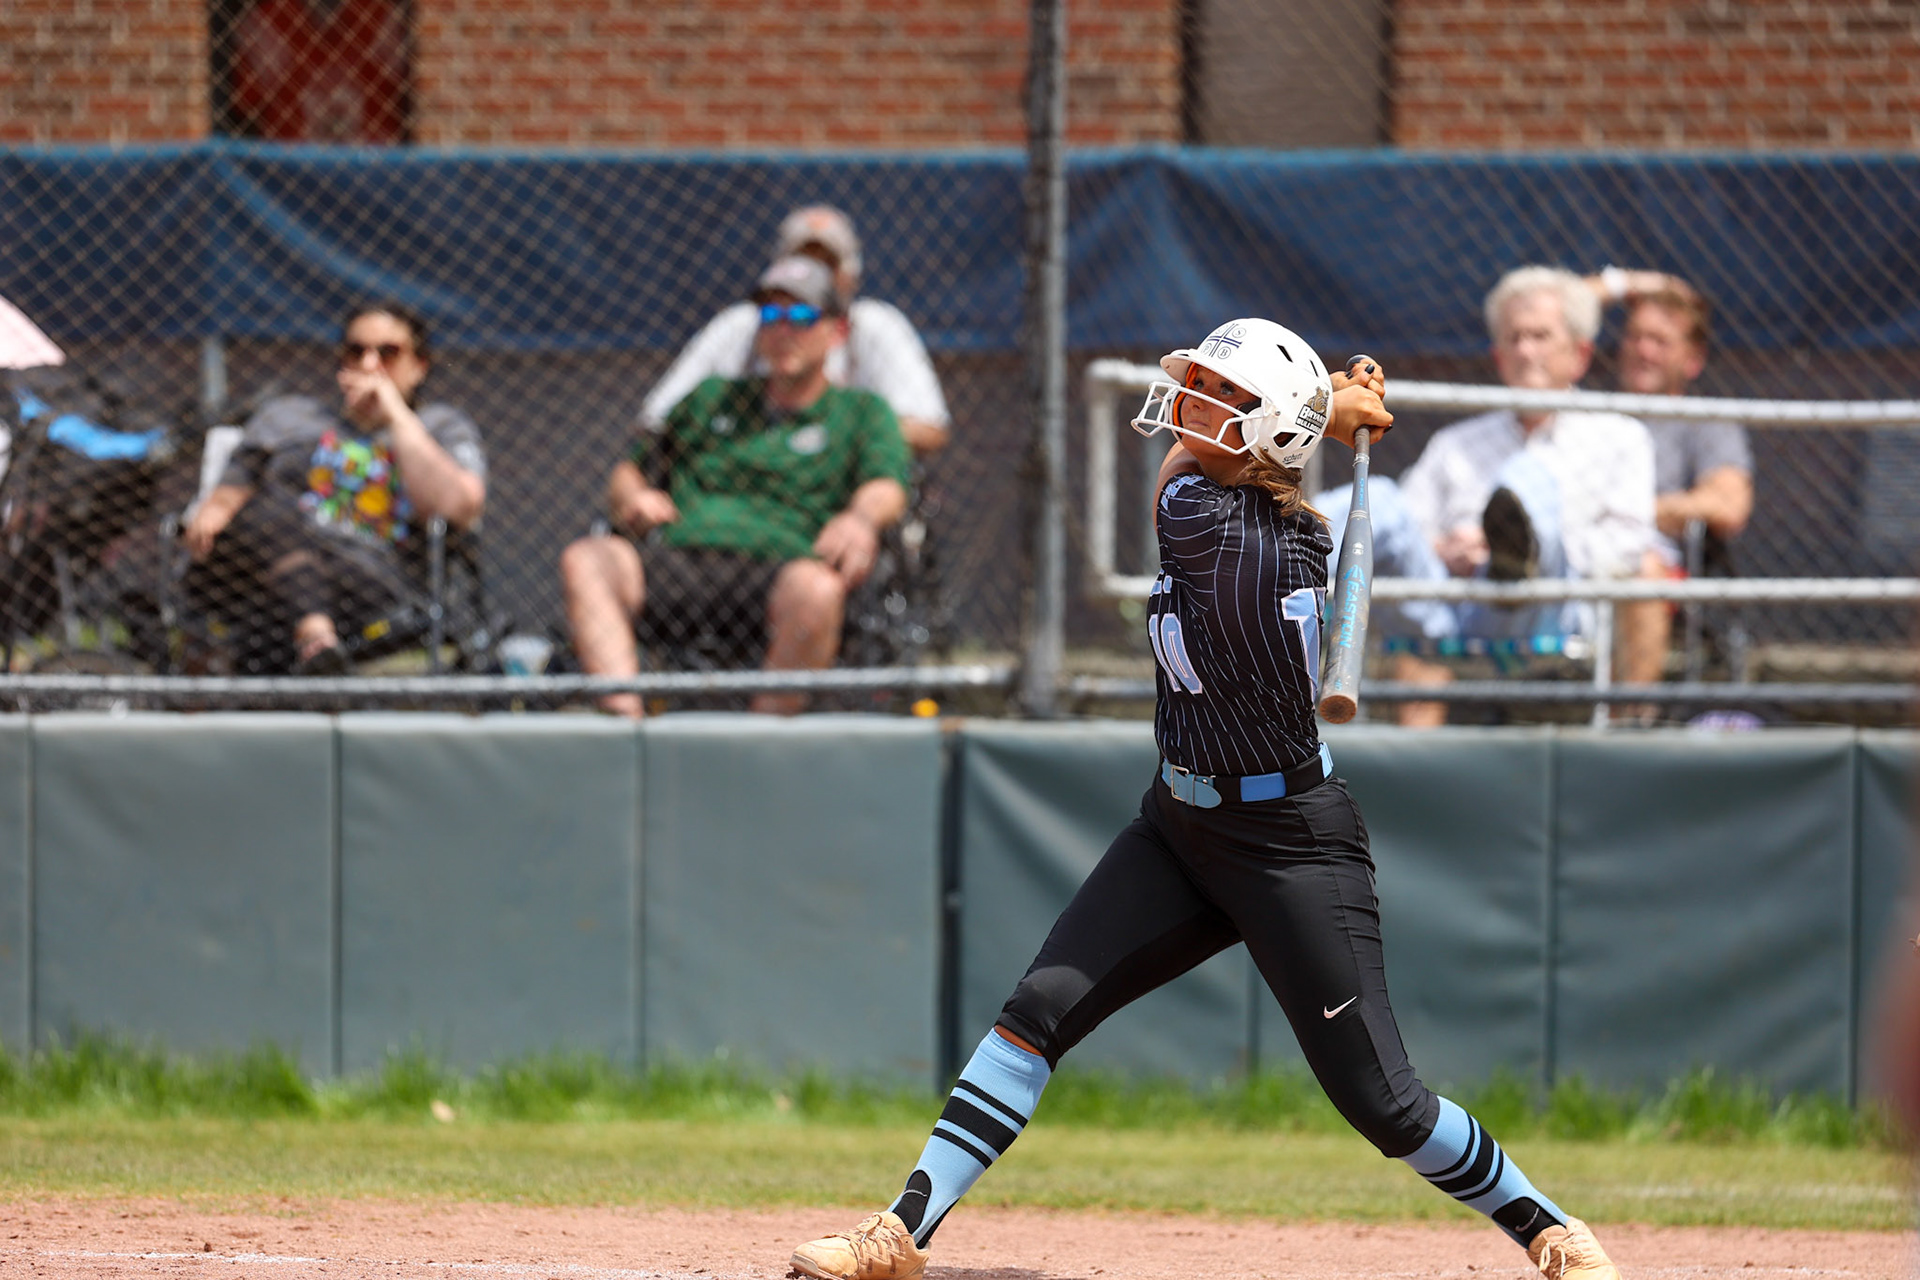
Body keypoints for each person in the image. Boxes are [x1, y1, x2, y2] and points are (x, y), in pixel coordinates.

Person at [788, 319, 1622, 1280]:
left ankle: (1549, 1226)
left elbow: (1200, 472)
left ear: (1265, 436)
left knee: (1387, 1106)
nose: (1186, 410)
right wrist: (1326, 409)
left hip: (1291, 844)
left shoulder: (1228, 532)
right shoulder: (1273, 525)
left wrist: (1323, 409)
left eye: (1220, 401)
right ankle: (901, 1233)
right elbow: (1233, 459)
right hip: (1179, 825)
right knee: (1036, 1010)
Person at [560, 255, 911, 718]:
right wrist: (633, 496)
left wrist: (860, 518)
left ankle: (758, 747)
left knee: (819, 591)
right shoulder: (711, 397)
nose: (783, 330)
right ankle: (628, 730)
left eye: (801, 317)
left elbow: (887, 486)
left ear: (837, 332)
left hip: (782, 567)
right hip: (685, 556)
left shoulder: (861, 411)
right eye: (770, 316)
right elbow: (631, 469)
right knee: (587, 560)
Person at [1318, 266, 1658, 726]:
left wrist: (1533, 547)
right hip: (1449, 610)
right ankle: (1277, 568)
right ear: (1498, 356)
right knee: (1380, 498)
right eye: (1514, 338)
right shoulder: (1456, 442)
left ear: (1579, 354)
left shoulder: (1621, 436)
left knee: (1528, 480)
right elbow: (1411, 527)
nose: (1525, 349)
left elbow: (1630, 543)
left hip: (1548, 609)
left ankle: (1517, 550)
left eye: (1539, 335)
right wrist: (1450, 548)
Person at [181, 301, 486, 673]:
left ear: (419, 366)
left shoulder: (440, 427)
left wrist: (395, 415)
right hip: (267, 561)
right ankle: (317, 640)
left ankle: (314, 640)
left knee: (285, 526)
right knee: (269, 506)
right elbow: (234, 488)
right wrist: (213, 509)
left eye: (388, 354)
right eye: (356, 351)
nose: (369, 365)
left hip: (370, 575)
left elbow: (459, 508)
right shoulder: (289, 417)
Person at [640, 206, 950, 457]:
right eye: (803, 260)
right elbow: (657, 417)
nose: (814, 276)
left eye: (828, 264)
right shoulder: (743, 323)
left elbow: (929, 428)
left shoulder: (874, 324)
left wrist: (823, 436)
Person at [1583, 271, 1753, 698]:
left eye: (1660, 341)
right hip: (1569, 550)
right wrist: (1631, 283)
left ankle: (1628, 735)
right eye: (1636, 336)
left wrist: (1626, 509)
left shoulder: (1705, 423)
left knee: (1643, 574)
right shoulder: (1585, 411)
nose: (1643, 350)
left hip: (1644, 562)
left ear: (1692, 360)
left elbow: (1729, 505)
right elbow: (1549, 306)